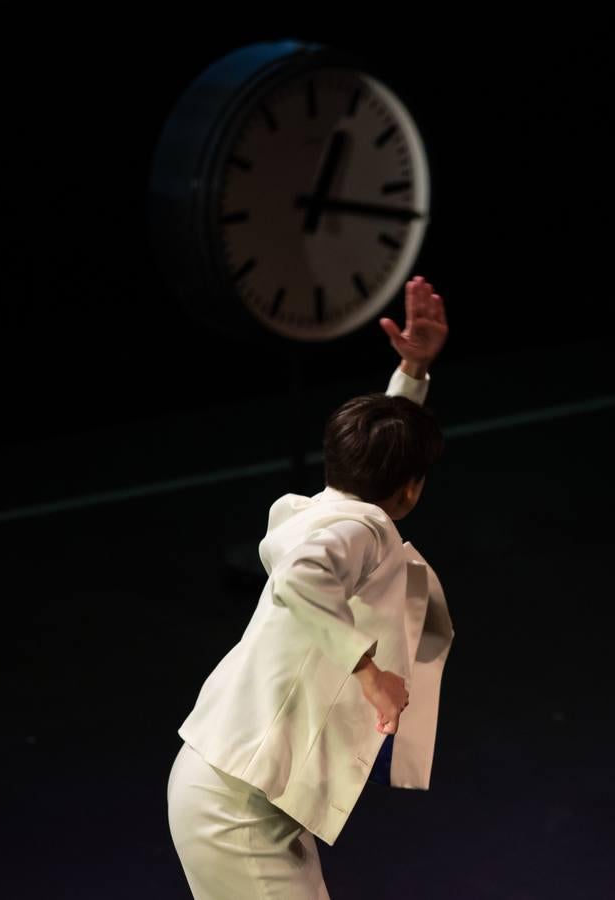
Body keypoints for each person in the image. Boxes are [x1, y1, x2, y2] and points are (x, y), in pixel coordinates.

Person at [167, 276, 454, 899]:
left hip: (237, 793)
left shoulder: (326, 510)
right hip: (237, 809)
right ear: (410, 489)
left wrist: (410, 374)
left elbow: (379, 465)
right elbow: (302, 580)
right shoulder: (361, 526)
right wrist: (370, 671)